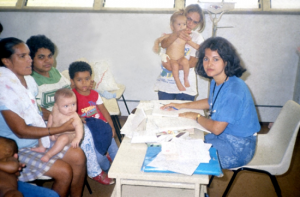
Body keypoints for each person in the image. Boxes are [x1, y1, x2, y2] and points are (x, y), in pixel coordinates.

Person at [0, 37, 86, 197]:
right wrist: (60, 128)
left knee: (78, 155)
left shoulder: (27, 81)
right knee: (64, 171)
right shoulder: (4, 90)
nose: (29, 60)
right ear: (6, 61)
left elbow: (35, 110)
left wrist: (62, 115)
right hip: (17, 148)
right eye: (22, 56)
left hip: (38, 139)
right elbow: (21, 131)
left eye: (29, 55)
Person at [26, 34, 114, 184]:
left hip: (73, 114)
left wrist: (83, 86)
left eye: (50, 56)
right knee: (87, 134)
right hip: (56, 123)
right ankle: (95, 170)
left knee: (104, 128)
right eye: (41, 57)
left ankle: (111, 159)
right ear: (31, 59)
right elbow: (37, 109)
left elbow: (71, 91)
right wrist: (68, 117)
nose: (47, 61)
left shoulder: (54, 73)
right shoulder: (31, 80)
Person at [161, 37, 260, 169]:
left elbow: (216, 129)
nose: (209, 64)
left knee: (180, 156)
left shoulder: (233, 91)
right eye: (206, 59)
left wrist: (196, 117)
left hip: (238, 148)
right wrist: (182, 105)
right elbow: (211, 101)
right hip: (224, 137)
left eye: (216, 59)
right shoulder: (220, 80)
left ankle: (195, 187)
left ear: (226, 61)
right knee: (179, 142)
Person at [69, 61, 119, 172]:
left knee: (115, 151)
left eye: (87, 79)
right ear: (72, 81)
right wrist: (78, 117)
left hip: (104, 128)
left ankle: (119, 172)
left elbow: (104, 111)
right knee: (100, 158)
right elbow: (68, 113)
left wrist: (111, 127)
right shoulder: (71, 96)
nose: (84, 83)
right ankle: (109, 170)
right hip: (90, 133)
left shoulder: (95, 94)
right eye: (79, 80)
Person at [154, 4, 205, 101]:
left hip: (187, 88)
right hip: (167, 84)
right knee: (164, 114)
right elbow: (164, 44)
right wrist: (176, 34)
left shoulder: (197, 37)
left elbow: (193, 62)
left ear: (198, 24)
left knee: (184, 115)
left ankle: (181, 80)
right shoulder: (170, 32)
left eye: (195, 22)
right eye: (188, 18)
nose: (190, 24)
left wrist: (172, 67)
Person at [32, 88, 83, 162]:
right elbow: (51, 118)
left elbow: (79, 126)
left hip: (69, 135)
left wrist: (77, 138)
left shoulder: (73, 116)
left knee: (63, 139)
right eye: (66, 106)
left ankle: (49, 154)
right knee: (42, 130)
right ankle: (42, 146)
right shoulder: (55, 110)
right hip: (55, 131)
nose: (71, 109)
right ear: (57, 105)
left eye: (73, 104)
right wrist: (50, 130)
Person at [160, 9, 195, 91]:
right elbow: (162, 43)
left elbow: (195, 45)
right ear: (172, 27)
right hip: (172, 59)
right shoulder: (169, 36)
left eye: (184, 24)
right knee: (175, 66)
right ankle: (178, 82)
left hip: (180, 58)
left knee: (186, 62)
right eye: (179, 24)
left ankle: (185, 78)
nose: (182, 26)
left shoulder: (186, 37)